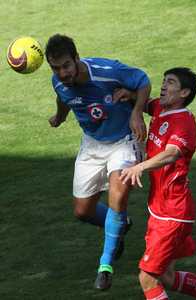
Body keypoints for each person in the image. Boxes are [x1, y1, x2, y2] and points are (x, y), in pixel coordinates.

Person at [45, 34, 151, 290]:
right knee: (83, 211)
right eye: (56, 68)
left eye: (66, 66)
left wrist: (136, 112)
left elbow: (143, 81)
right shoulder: (58, 82)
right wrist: (59, 117)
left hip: (124, 139)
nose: (63, 73)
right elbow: (64, 99)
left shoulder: (107, 70)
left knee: (118, 194)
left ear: (77, 58)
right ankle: (120, 225)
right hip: (92, 143)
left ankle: (105, 266)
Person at [120, 67, 196, 299]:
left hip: (172, 214)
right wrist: (126, 93)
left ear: (184, 92)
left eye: (171, 83)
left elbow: (172, 153)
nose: (164, 86)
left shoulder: (183, 121)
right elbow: (142, 100)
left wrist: (139, 167)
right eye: (164, 81)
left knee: (147, 278)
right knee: (166, 276)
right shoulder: (160, 109)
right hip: (162, 211)